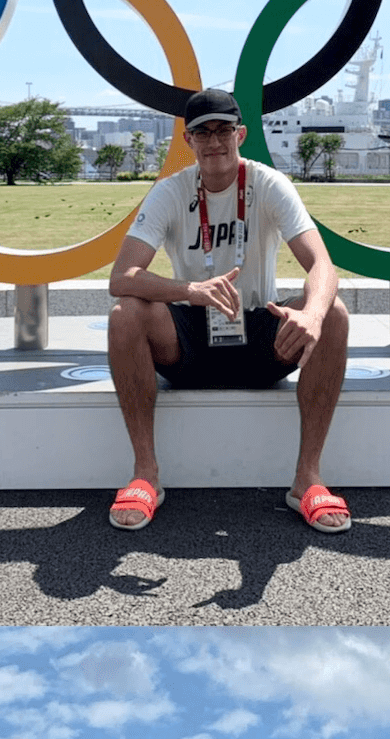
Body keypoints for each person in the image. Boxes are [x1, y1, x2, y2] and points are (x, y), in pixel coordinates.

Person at [105, 87, 352, 536]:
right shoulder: (170, 192)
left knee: (333, 311)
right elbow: (121, 277)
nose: (214, 142)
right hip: (190, 341)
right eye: (203, 133)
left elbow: (322, 264)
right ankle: (145, 475)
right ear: (188, 141)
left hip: (260, 335)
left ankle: (308, 480)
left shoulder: (268, 183)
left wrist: (311, 315)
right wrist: (191, 289)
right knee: (125, 313)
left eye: (223, 131)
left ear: (241, 134)